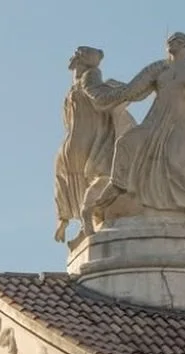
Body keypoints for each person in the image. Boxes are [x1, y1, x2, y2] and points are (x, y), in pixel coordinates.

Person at [81, 32, 185, 232]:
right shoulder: (158, 67)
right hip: (156, 122)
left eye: (178, 41)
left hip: (182, 126)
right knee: (126, 142)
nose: (172, 43)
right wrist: (98, 93)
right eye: (170, 41)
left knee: (177, 163)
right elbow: (131, 91)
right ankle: (117, 188)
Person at [53, 47, 135, 243]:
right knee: (103, 175)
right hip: (92, 138)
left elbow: (67, 120)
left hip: (71, 143)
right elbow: (99, 99)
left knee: (75, 181)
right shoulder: (91, 76)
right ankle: (86, 215)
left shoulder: (71, 90)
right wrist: (130, 91)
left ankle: (72, 222)